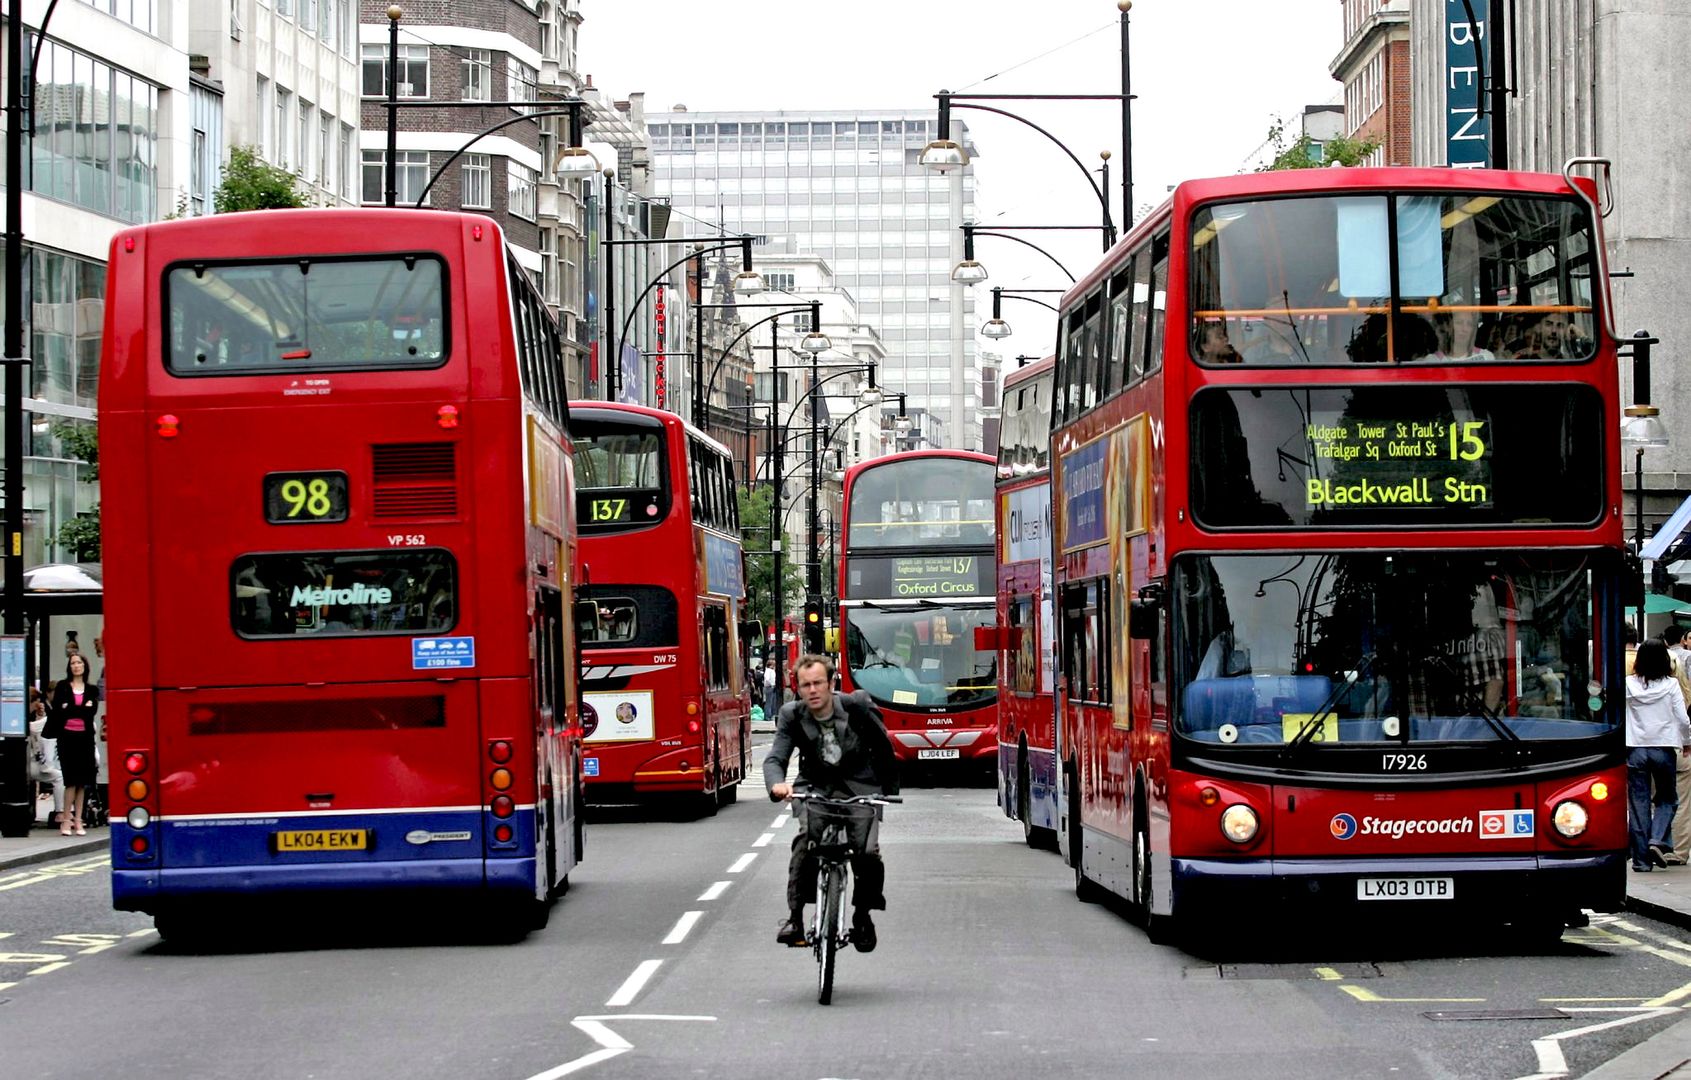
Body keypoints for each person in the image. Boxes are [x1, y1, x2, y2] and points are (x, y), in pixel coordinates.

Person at [763, 654, 899, 951]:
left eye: (818, 683)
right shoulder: (791, 715)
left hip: (860, 786)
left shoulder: (857, 707)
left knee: (867, 853)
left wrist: (887, 791)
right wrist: (776, 784)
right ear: (797, 688)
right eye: (805, 685)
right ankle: (795, 919)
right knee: (805, 842)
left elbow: (883, 747)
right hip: (815, 789)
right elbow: (776, 757)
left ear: (831, 683)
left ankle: (862, 916)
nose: (812, 690)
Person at [1626, 638, 1691, 872]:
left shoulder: (1628, 685)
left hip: (1635, 749)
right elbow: (1683, 719)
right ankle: (1657, 840)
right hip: (1664, 748)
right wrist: (1687, 742)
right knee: (1667, 799)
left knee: (1638, 805)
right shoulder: (1671, 685)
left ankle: (1642, 862)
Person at [43, 654, 100, 836]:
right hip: (67, 738)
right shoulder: (62, 686)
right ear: (69, 667)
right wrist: (81, 708)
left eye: (79, 662)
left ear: (85, 666)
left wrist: (73, 709)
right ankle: (66, 819)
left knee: (82, 781)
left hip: (85, 739)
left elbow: (91, 712)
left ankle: (79, 820)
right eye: (73, 663)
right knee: (70, 780)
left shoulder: (91, 689)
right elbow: (60, 710)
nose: (76, 666)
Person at [1664, 626, 1691, 864]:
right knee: (1683, 801)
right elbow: (1684, 720)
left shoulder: (1636, 686)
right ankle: (1679, 851)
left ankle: (1654, 843)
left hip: (1648, 747)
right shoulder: (1680, 688)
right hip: (1680, 747)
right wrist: (1687, 743)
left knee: (1654, 800)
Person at [27, 689, 63, 828]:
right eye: (37, 701)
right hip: (29, 763)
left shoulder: (30, 714)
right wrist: (43, 719)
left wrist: (39, 716)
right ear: (34, 701)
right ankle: (60, 812)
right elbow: (34, 729)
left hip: (30, 760)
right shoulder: (25, 716)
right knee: (58, 777)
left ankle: (60, 811)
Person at [1431, 310, 1496, 362]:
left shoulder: (1486, 357)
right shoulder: (1433, 361)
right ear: (1448, 327)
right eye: (1459, 322)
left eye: (1469, 324)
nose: (1465, 329)